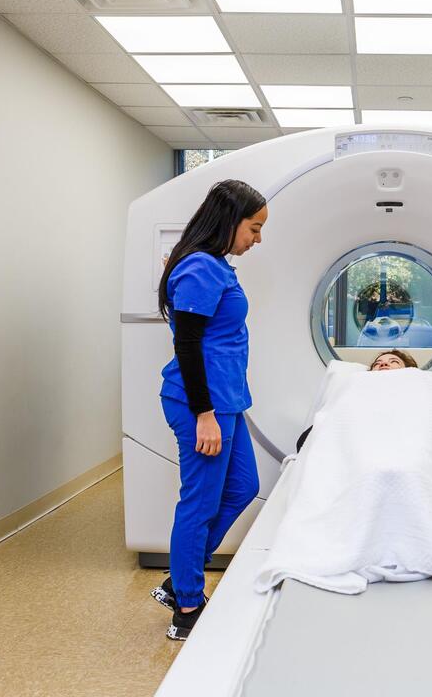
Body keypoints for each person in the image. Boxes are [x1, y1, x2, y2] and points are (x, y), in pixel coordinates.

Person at [149, 180, 267, 641]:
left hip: (227, 400)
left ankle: (180, 579)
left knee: (243, 487)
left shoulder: (212, 264)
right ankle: (188, 608)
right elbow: (187, 341)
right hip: (202, 404)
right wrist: (203, 413)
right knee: (199, 503)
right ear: (229, 220)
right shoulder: (200, 266)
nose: (257, 239)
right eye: (254, 228)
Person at [295, 349, 419, 453]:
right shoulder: (355, 390)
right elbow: (303, 443)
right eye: (377, 363)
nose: (383, 364)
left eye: (394, 362)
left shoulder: (417, 391)